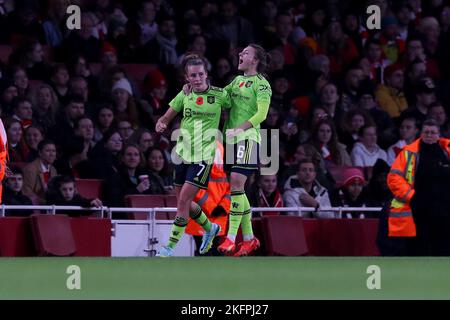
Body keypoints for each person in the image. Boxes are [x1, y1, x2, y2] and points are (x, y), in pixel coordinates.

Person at [155, 54, 230, 257]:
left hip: (203, 158)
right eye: (192, 75)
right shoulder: (184, 95)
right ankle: (210, 228)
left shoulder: (220, 95)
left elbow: (238, 108)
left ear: (206, 74)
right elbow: (167, 116)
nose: (197, 79)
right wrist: (161, 123)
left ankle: (169, 247)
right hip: (181, 154)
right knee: (183, 201)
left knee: (182, 202)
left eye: (200, 74)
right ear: (187, 78)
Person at [217, 44, 272, 256]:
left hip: (247, 138)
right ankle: (249, 238)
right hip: (230, 140)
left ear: (255, 60)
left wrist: (239, 129)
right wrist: (198, 88)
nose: (240, 55)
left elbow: (262, 115)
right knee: (238, 190)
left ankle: (231, 238)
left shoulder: (262, 84)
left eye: (246, 53)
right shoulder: (237, 81)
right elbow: (222, 97)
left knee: (236, 186)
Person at [387, 119, 450, 255]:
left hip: (445, 211)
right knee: (418, 250)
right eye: (426, 132)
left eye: (433, 132)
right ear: (420, 133)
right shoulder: (408, 152)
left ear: (439, 134)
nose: (429, 135)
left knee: (444, 251)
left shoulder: (447, 151)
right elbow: (394, 178)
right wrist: (411, 196)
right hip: (418, 211)